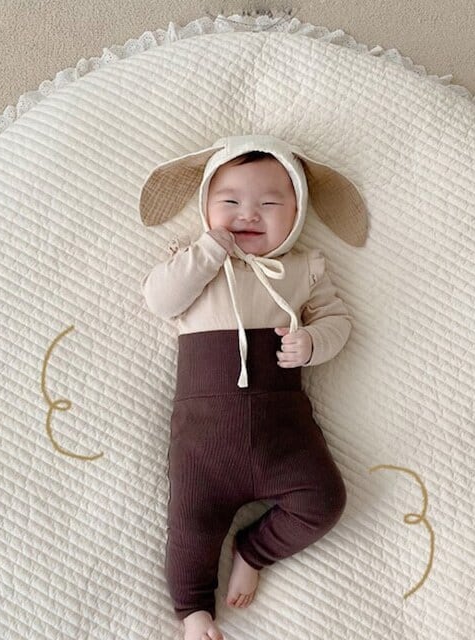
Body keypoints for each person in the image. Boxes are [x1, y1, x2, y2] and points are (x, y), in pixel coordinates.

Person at [139, 135, 367, 640]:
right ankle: (193, 610)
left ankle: (254, 549)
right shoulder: (193, 263)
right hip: (204, 447)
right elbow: (160, 300)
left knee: (325, 501)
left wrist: (312, 343)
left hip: (283, 437)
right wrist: (207, 251)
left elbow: (338, 322)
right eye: (230, 201)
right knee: (189, 530)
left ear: (297, 213)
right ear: (206, 208)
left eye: (269, 204)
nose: (248, 214)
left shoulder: (302, 269)